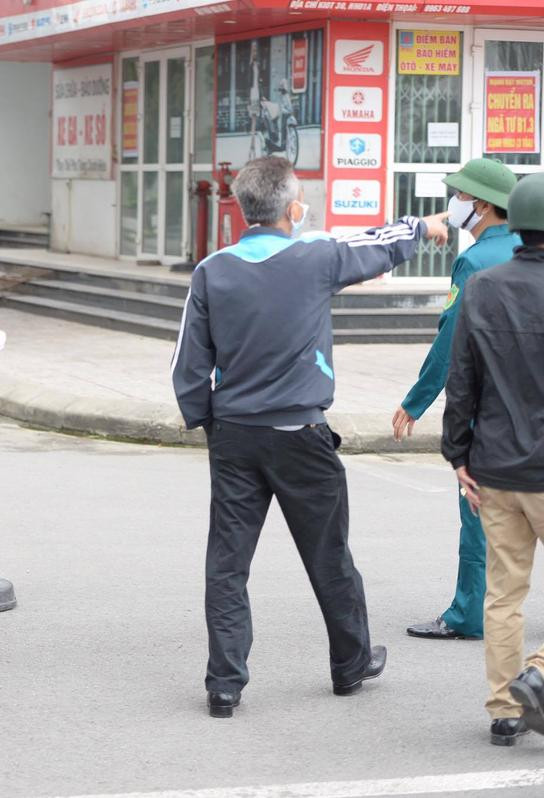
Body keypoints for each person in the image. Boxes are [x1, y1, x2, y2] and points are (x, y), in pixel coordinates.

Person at [170, 155, 448, 719]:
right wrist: (423, 226)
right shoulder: (317, 256)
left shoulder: (211, 270)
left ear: (240, 209)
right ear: (294, 209)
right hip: (302, 432)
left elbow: (188, 366)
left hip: (236, 437)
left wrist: (207, 422)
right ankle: (351, 666)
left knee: (227, 563)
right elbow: (380, 244)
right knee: (329, 556)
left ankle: (225, 685)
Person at [396, 159, 519, 642]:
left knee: (478, 510)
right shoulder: (532, 252)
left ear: (483, 205)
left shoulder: (475, 262)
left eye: (461, 196)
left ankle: (469, 614)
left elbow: (451, 340)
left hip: (490, 410)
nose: (455, 205)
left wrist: (417, 400)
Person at [443, 172, 544, 747]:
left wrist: (457, 454)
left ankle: (506, 710)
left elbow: (463, 382)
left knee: (504, 595)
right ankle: (538, 675)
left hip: (496, 468)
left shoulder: (483, 285)